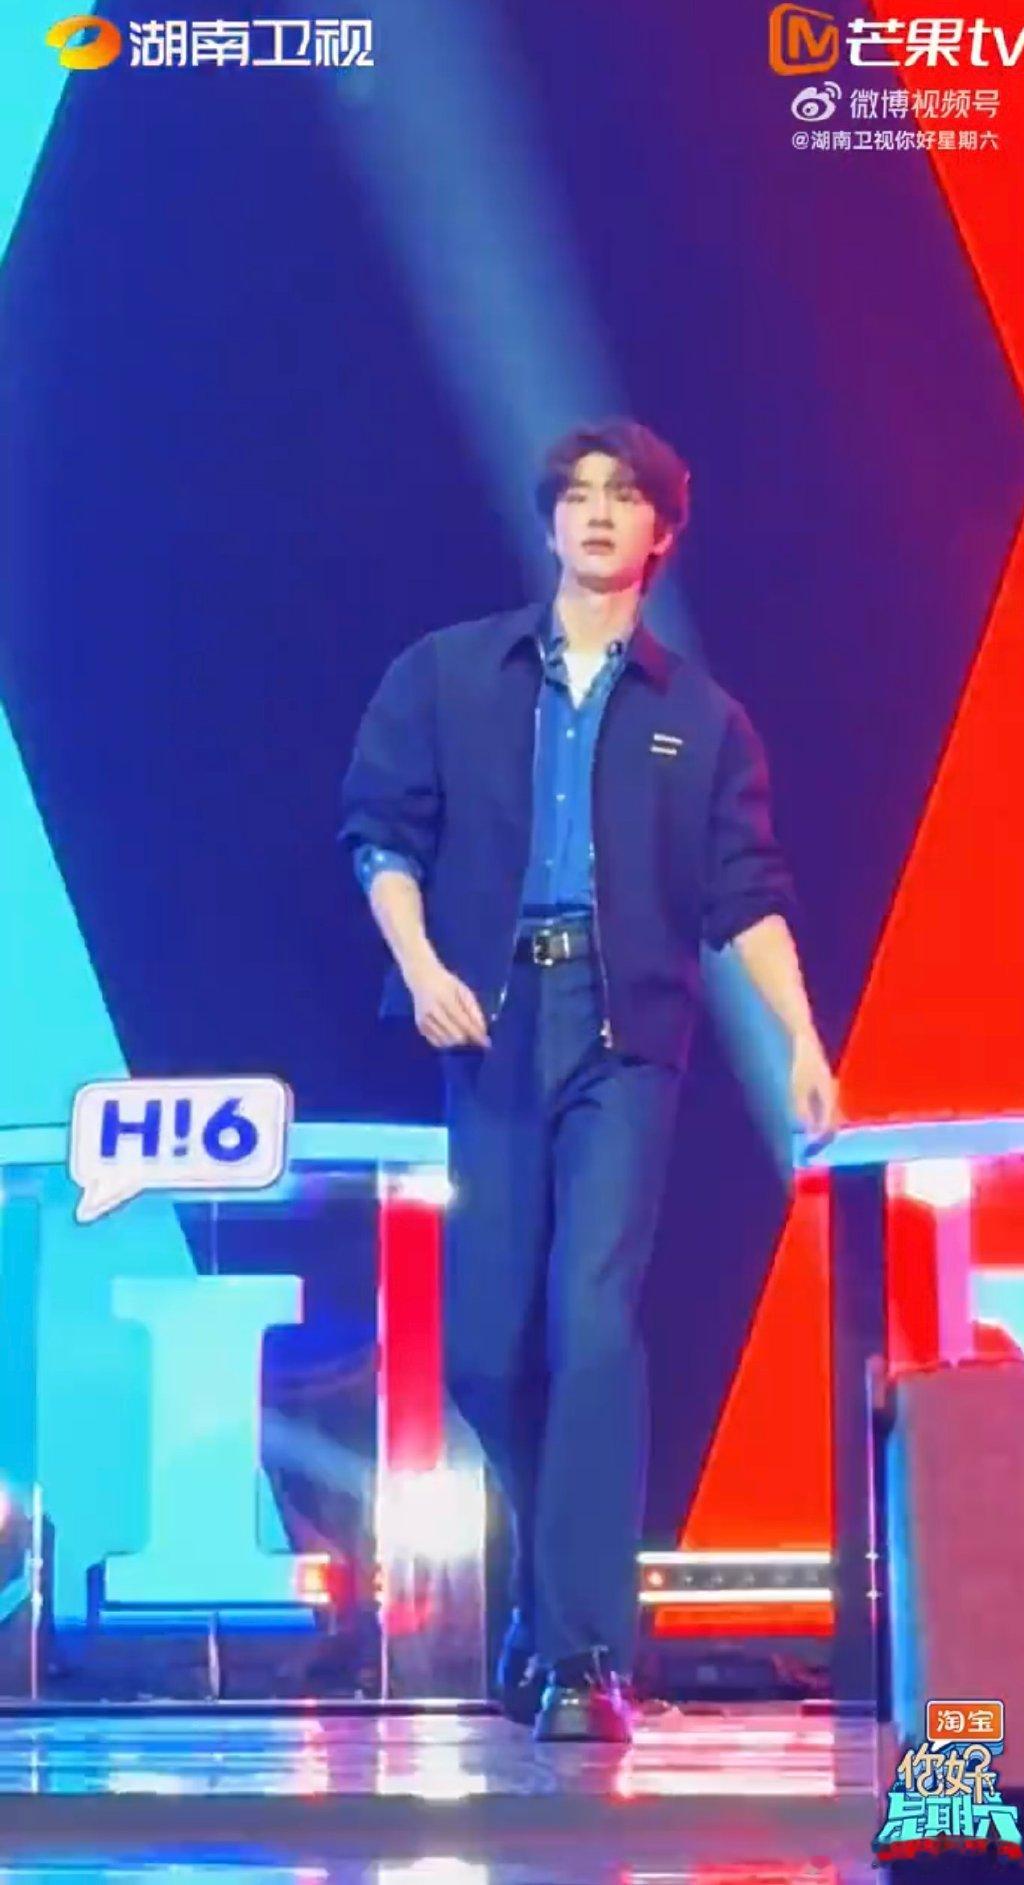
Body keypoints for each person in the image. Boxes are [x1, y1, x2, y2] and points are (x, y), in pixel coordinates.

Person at [338, 417, 836, 1742]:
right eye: (579, 492)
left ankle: (585, 1656)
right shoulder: (451, 674)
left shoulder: (700, 719)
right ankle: (553, 1598)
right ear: (551, 518)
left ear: (662, 533)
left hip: (628, 1038)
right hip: (490, 1021)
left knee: (595, 1320)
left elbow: (746, 896)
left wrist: (801, 1037)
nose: (600, 512)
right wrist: (421, 962)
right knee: (488, 1347)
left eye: (627, 496)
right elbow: (380, 834)